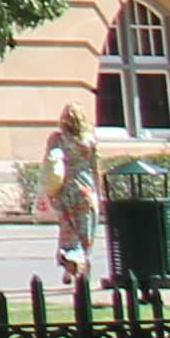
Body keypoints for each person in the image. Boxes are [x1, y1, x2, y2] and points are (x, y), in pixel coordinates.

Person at [41, 99, 108, 295]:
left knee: (68, 231)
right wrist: (100, 195)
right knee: (85, 234)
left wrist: (49, 189)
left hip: (64, 192)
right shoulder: (89, 141)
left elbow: (50, 162)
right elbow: (96, 170)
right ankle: (84, 272)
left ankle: (70, 264)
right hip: (85, 193)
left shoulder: (57, 139)